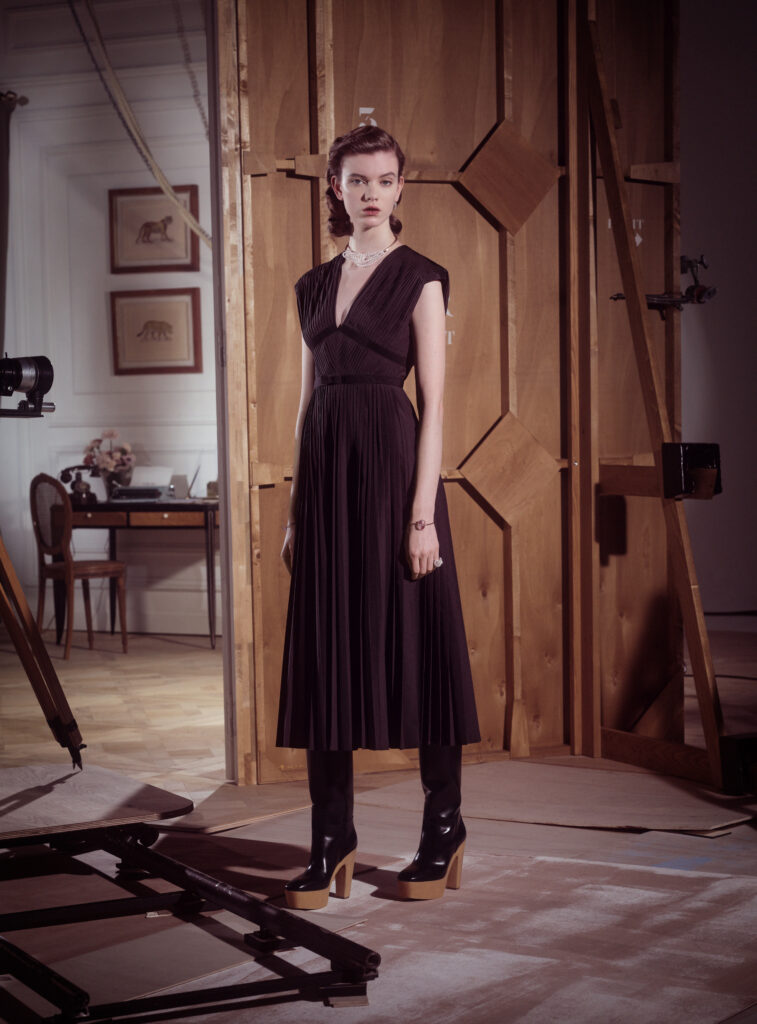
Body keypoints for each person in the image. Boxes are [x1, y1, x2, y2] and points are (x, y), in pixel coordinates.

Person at [277, 125, 480, 910]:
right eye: (356, 179)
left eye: (384, 179)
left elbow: (435, 406)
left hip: (397, 482)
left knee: (421, 650)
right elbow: (304, 408)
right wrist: (295, 513)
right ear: (335, 187)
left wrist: (421, 516)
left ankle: (443, 829)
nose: (370, 192)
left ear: (400, 188)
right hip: (327, 488)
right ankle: (330, 840)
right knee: (325, 651)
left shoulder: (421, 278)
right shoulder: (310, 286)